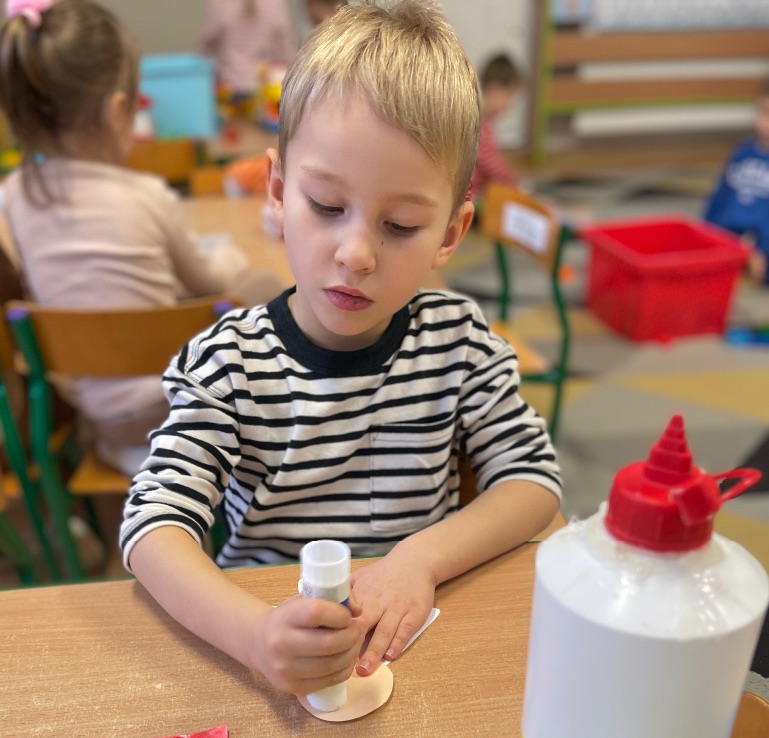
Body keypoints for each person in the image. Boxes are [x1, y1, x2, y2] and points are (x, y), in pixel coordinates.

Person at [120, 0, 561, 702]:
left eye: (400, 224)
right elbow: (153, 526)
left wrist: (420, 559)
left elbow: (532, 480)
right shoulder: (229, 364)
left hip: (421, 647)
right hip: (267, 660)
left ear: (450, 234)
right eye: (327, 207)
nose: (356, 254)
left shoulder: (459, 345)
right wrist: (253, 635)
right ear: (277, 191)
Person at [0, 0, 280, 476]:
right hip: (180, 408)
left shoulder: (12, 197)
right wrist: (233, 260)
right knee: (263, 286)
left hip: (99, 417)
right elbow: (211, 283)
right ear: (118, 111)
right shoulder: (149, 195)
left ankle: (123, 456)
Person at [704, 79, 769, 284]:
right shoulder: (742, 153)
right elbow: (719, 200)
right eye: (765, 112)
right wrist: (706, 234)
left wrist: (760, 250)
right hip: (730, 239)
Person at [199, 0, 297, 100]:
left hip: (228, 88)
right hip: (264, 90)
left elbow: (205, 46)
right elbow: (287, 49)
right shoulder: (275, 3)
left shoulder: (220, 3)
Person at [469, 53, 523, 202]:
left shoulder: (483, 119)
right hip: (471, 197)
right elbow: (493, 165)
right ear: (494, 89)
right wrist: (515, 185)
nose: (508, 106)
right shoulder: (477, 122)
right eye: (508, 97)